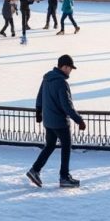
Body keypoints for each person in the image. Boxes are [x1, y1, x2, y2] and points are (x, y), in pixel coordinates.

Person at [26, 55, 86, 188]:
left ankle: (35, 170)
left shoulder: (47, 78)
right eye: (70, 68)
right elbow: (67, 106)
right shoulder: (61, 82)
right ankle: (64, 177)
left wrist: (38, 111)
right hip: (60, 122)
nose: (70, 71)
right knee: (66, 147)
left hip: (48, 121)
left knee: (50, 145)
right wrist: (79, 120)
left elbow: (40, 96)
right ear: (64, 67)